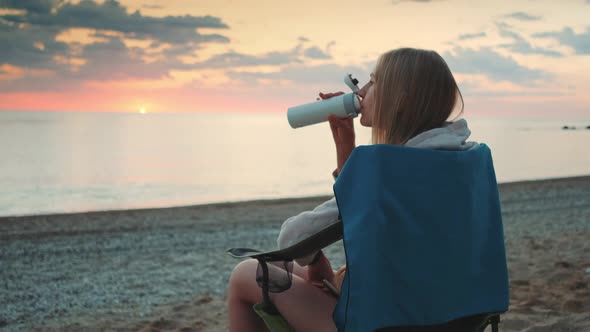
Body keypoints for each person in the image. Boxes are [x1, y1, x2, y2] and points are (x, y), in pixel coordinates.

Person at [227, 47, 477, 332]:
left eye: (373, 82)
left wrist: (314, 258)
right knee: (310, 276)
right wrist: (345, 146)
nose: (363, 91)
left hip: (389, 323)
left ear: (401, 99)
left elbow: (292, 239)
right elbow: (365, 216)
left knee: (246, 274)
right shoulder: (462, 158)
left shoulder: (387, 171)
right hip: (454, 314)